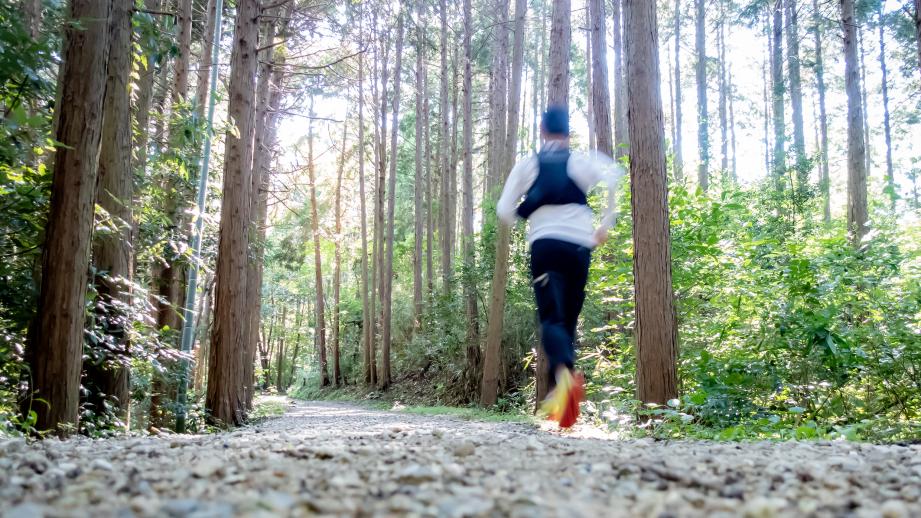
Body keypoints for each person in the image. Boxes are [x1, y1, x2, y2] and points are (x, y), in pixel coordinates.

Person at [496, 105, 623, 428]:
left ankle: (564, 380)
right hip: (580, 247)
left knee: (551, 317)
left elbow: (503, 209)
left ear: (542, 130)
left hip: (546, 245)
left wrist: (526, 215)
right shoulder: (582, 162)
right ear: (568, 133)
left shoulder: (529, 165)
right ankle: (562, 396)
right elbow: (614, 175)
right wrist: (604, 225)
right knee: (568, 321)